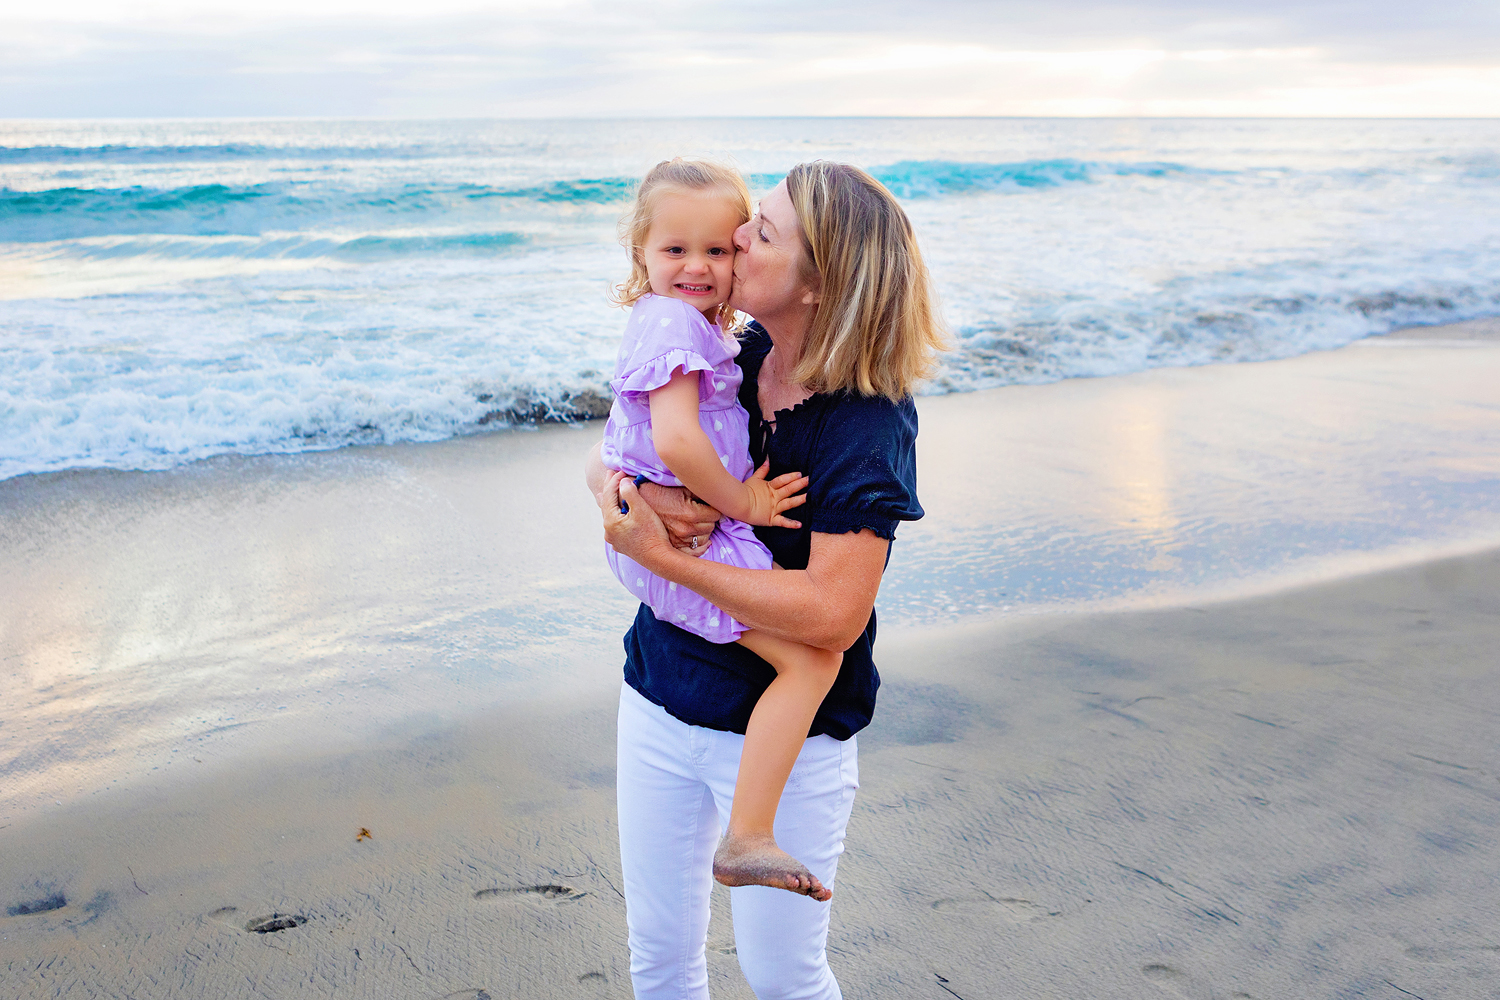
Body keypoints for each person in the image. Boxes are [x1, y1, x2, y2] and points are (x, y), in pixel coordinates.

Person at [588, 160, 944, 1000]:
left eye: (762, 230)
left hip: (784, 744)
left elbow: (831, 614)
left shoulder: (866, 420)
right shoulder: (734, 351)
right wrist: (627, 499)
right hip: (660, 695)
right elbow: (617, 448)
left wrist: (664, 555)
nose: (737, 239)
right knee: (661, 961)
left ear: (819, 283)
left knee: (784, 979)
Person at [599, 157, 844, 900]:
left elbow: (625, 442)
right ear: (640, 253)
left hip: (671, 535)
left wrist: (624, 486)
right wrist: (746, 504)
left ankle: (748, 829)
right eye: (675, 250)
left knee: (807, 659)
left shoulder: (700, 328)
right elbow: (673, 442)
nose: (699, 267)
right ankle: (749, 835)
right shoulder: (672, 320)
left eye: (720, 248)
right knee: (811, 662)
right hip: (687, 540)